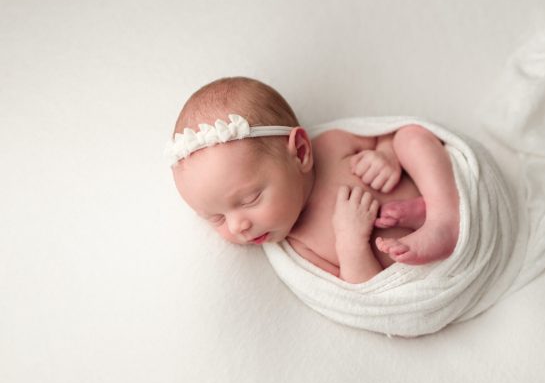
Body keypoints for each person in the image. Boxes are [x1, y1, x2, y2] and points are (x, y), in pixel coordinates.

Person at [168, 77, 459, 284]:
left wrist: (385, 155)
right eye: (215, 218)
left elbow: (386, 134)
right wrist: (350, 241)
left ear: (301, 152)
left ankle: (443, 217)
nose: (237, 226)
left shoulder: (332, 146)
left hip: (440, 193)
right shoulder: (300, 245)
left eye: (249, 199)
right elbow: (363, 291)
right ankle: (427, 215)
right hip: (423, 266)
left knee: (412, 137)